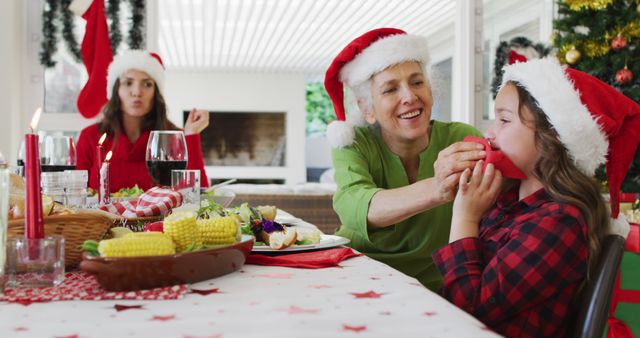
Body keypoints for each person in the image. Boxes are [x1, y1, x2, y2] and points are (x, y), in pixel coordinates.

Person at [432, 57, 638, 337]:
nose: (490, 134)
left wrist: (465, 217)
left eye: (504, 120)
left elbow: (467, 311)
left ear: (549, 137)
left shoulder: (560, 221)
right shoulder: (509, 201)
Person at [324, 28, 485, 291]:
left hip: (436, 286)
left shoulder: (462, 138)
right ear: (368, 109)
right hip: (357, 273)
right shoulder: (354, 142)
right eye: (390, 89)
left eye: (417, 82)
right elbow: (353, 207)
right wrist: (438, 187)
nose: (409, 96)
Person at [76, 50, 210, 192]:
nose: (137, 92)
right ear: (116, 90)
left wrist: (191, 135)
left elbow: (199, 195)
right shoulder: (89, 137)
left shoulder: (174, 138)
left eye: (147, 84)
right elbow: (75, 196)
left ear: (156, 92)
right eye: (128, 83)